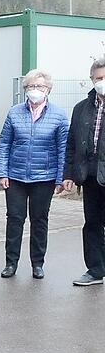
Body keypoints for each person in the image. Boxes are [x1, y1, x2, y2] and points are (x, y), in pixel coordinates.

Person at [0, 70, 69, 279]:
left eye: (40, 86)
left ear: (48, 90)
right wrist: (1, 172)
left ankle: (37, 264)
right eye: (31, 86)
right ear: (25, 89)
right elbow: (4, 143)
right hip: (15, 176)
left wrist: (60, 178)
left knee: (39, 220)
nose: (35, 90)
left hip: (44, 178)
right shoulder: (14, 112)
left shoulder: (59, 115)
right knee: (14, 219)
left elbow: (63, 149)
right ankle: (11, 263)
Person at [63, 57, 105, 287]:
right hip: (89, 176)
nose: (102, 82)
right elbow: (71, 144)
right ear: (92, 79)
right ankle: (95, 270)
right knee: (92, 224)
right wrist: (69, 174)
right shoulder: (81, 108)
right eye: (98, 78)